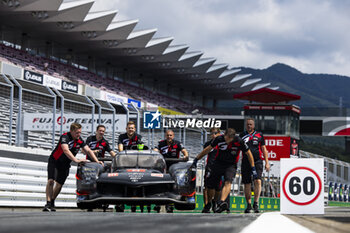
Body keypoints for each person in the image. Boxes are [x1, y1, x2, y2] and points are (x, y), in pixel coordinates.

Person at [191, 128, 257, 213]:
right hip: (218, 163)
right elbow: (207, 149)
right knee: (211, 186)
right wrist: (196, 159)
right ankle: (209, 204)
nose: (227, 141)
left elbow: (249, 154)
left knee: (228, 181)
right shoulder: (219, 139)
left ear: (233, 137)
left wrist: (253, 167)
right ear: (224, 135)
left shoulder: (239, 141)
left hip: (231, 165)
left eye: (229, 139)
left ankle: (221, 202)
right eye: (226, 138)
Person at [43, 123, 103, 212]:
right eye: (77, 133)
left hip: (65, 164)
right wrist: (76, 160)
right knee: (51, 181)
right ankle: (47, 203)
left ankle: (52, 201)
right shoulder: (65, 137)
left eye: (80, 133)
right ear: (71, 131)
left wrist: (97, 161)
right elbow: (65, 150)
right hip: (55, 161)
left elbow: (89, 151)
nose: (79, 135)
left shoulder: (80, 140)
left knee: (59, 185)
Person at [154, 129, 189, 213]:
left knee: (172, 186)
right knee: (160, 185)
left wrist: (186, 156)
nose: (169, 137)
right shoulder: (161, 143)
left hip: (174, 167)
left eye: (170, 135)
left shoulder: (177, 143)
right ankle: (158, 204)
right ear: (165, 136)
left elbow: (185, 152)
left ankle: (170, 205)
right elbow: (155, 150)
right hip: (163, 166)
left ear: (173, 136)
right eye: (167, 135)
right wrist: (156, 153)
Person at [240, 118, 270, 213]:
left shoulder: (259, 135)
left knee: (258, 181)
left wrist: (267, 162)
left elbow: (264, 148)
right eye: (247, 124)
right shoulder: (242, 135)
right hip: (246, 161)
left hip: (257, 161)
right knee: (247, 183)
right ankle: (248, 204)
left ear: (254, 125)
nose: (249, 126)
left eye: (251, 124)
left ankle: (256, 203)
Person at [202, 127, 221, 213]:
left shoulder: (222, 143)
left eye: (215, 133)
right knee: (206, 186)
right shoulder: (208, 144)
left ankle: (215, 202)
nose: (214, 135)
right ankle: (207, 205)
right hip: (209, 167)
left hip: (219, 167)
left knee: (218, 188)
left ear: (219, 133)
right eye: (212, 133)